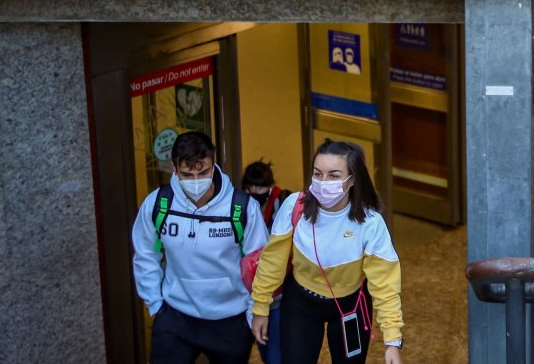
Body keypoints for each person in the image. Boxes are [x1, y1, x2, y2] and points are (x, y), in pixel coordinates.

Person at [250, 139, 404, 364]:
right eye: (318, 174)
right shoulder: (295, 207)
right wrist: (260, 307)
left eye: (334, 175)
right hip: (301, 302)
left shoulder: (371, 223)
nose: (323, 182)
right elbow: (272, 262)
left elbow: (385, 285)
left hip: (350, 306)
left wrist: (392, 341)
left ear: (352, 180)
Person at [132, 131, 268, 364]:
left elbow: (262, 263)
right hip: (176, 317)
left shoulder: (242, 208)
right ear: (174, 169)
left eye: (203, 172)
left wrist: (252, 311)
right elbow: (145, 253)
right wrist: (154, 303)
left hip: (231, 321)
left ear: (214, 164)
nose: (196, 181)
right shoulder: (158, 204)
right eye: (187, 174)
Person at [242, 160, 294, 364]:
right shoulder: (239, 205)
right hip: (248, 290)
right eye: (252, 187)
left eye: (260, 187)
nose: (256, 191)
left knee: (275, 355)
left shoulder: (284, 202)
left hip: (280, 290)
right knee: (260, 347)